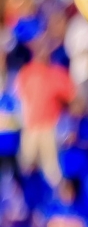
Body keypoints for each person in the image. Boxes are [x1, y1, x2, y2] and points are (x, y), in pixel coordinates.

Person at [15, 32, 76, 189]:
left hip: (50, 127)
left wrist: (67, 127)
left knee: (53, 173)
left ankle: (59, 207)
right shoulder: (26, 73)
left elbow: (73, 100)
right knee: (26, 168)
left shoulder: (57, 73)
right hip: (31, 127)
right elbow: (21, 100)